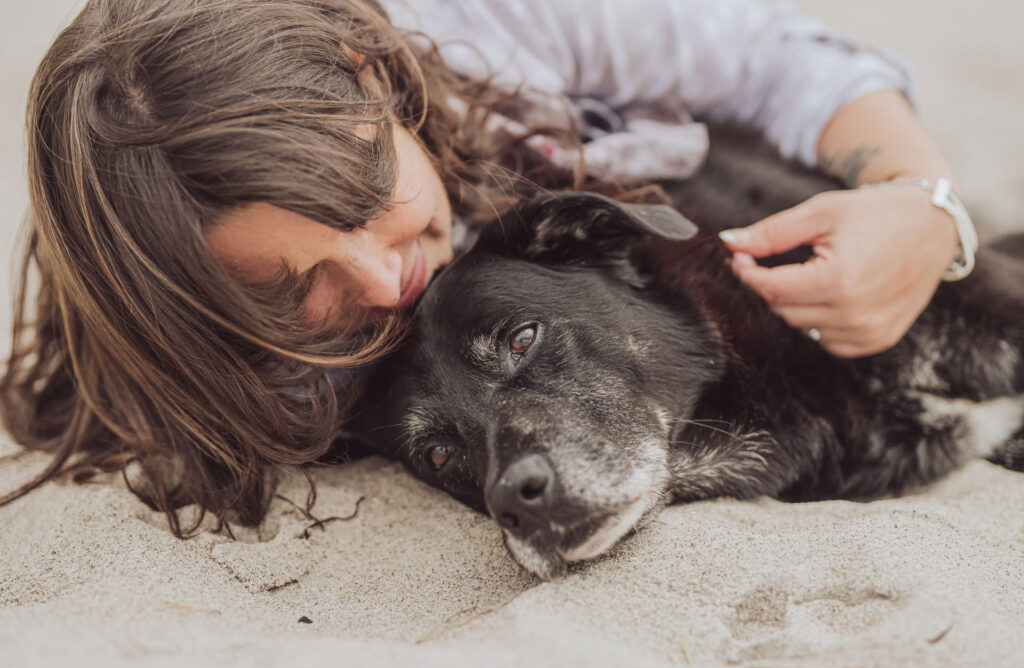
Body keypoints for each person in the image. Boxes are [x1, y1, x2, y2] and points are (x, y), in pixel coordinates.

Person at [0, 0, 970, 534]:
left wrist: (918, 201)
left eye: (365, 204)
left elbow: (783, 60)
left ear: (368, 72)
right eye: (289, 291)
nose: (382, 285)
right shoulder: (191, 329)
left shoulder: (493, 20)